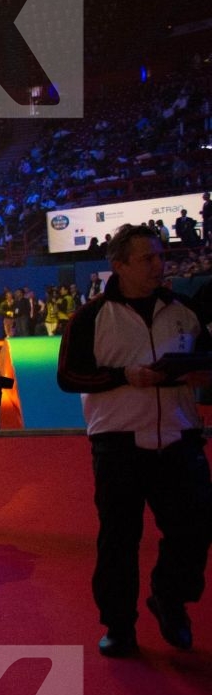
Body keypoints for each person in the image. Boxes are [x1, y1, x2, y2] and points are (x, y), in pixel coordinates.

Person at [57, 224, 212, 657]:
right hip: (118, 443)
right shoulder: (88, 318)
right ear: (119, 265)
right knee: (118, 540)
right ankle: (119, 626)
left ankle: (170, 597)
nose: (159, 265)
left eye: (161, 256)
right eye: (147, 258)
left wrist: (202, 374)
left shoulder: (184, 309)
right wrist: (126, 377)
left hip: (181, 437)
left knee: (196, 527)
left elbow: (207, 360)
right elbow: (68, 377)